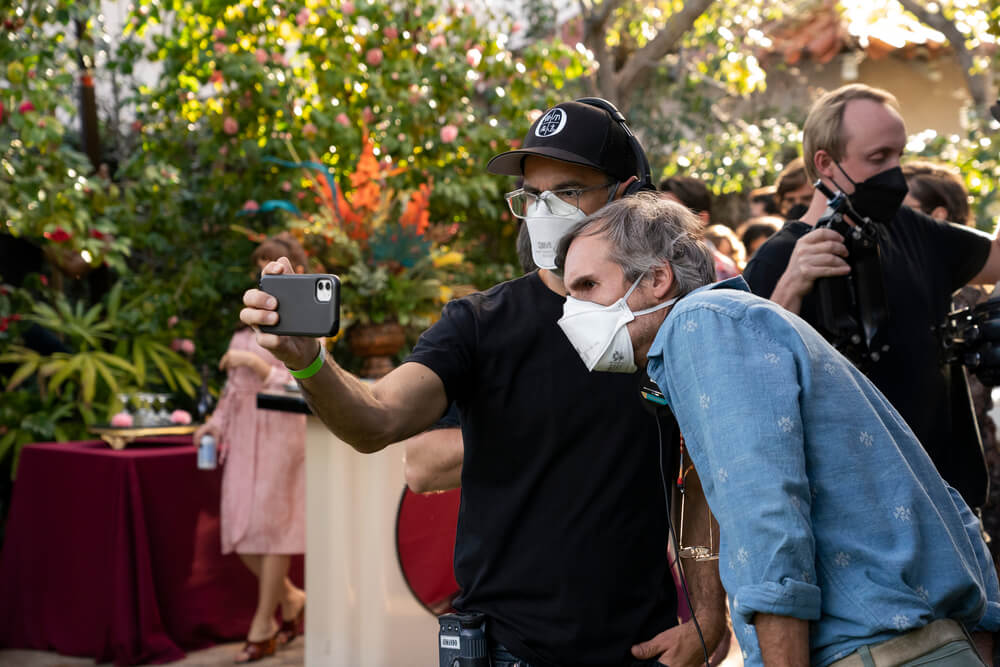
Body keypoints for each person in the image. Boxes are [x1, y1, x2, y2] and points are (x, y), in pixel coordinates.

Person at [242, 100, 726, 667]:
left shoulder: (663, 319)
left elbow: (698, 474)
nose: (546, 211)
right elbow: (376, 421)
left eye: (567, 192)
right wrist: (309, 362)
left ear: (627, 196)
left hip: (638, 646)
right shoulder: (479, 324)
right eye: (532, 196)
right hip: (505, 649)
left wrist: (707, 615)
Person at [556, 192, 1000, 666]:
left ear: (658, 278)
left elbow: (765, 515)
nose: (572, 311)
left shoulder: (700, 325)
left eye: (587, 286)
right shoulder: (747, 323)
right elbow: (946, 501)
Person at [743, 83, 1000, 510]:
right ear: (825, 163)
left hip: (948, 500)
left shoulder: (910, 228)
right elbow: (750, 387)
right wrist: (791, 285)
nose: (896, 174)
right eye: (878, 158)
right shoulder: (779, 259)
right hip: (857, 517)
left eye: (900, 154)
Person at [193, 234, 308, 663]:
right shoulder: (246, 327)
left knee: (274, 530)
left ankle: (264, 625)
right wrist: (213, 425)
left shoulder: (305, 321)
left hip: (282, 435)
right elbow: (231, 392)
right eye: (260, 260)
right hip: (243, 436)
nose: (265, 266)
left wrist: (259, 365)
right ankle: (293, 598)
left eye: (273, 259)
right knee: (241, 534)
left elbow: (312, 381)